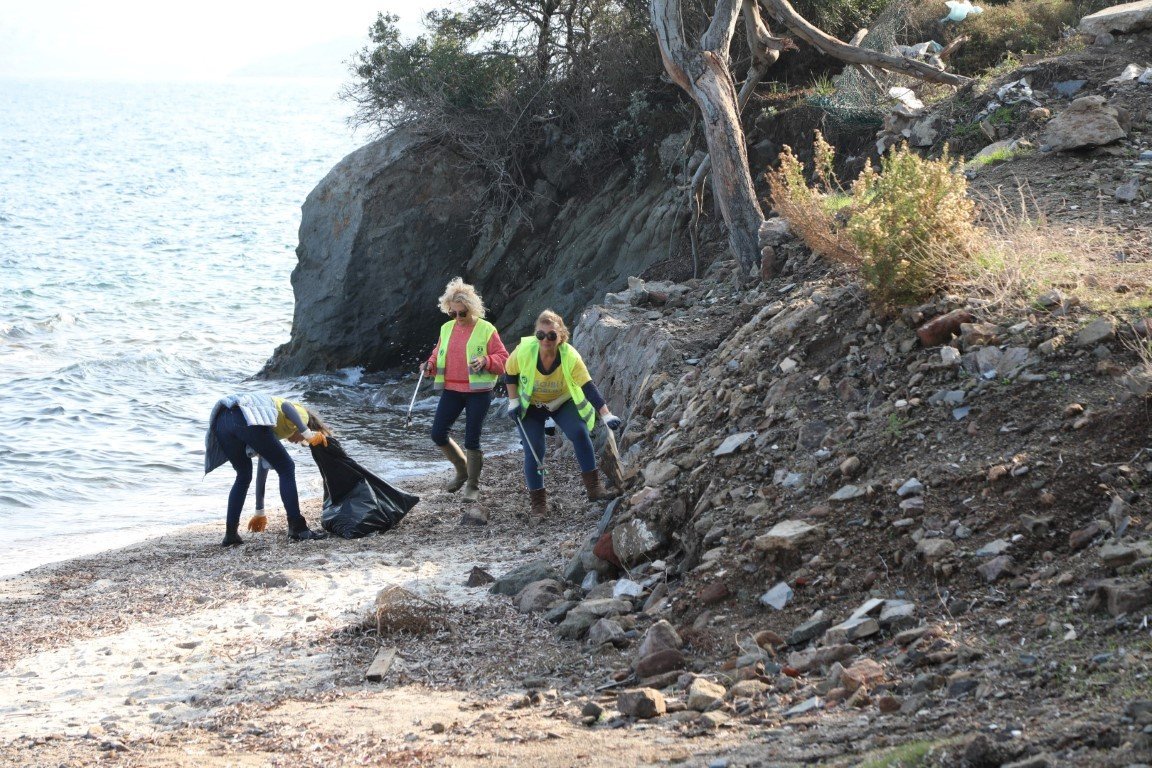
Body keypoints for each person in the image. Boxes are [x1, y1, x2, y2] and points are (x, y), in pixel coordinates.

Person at [504, 309, 622, 517]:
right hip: (531, 406)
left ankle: (594, 490)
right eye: (541, 335)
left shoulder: (570, 356)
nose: (546, 340)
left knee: (579, 432)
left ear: (561, 336)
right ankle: (538, 505)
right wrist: (513, 401)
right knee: (535, 451)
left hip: (562, 401)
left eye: (552, 335)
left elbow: (588, 386)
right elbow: (510, 373)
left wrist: (606, 415)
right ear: (536, 335)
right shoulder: (524, 351)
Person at [204, 392, 331, 546]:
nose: (299, 442)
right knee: (286, 467)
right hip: (242, 415)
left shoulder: (266, 425)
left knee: (243, 476)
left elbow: (262, 469)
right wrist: (307, 432)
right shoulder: (302, 417)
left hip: (222, 420)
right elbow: (286, 406)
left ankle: (231, 535)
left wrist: (259, 511)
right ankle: (297, 528)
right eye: (302, 440)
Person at [424, 277, 508, 505]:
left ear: (472, 309)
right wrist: (429, 366)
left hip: (478, 391)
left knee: (472, 438)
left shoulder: (486, 329)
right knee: (438, 434)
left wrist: (486, 360)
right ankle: (462, 471)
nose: (458, 318)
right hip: (451, 388)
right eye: (453, 313)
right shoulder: (446, 328)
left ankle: (472, 485)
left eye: (463, 313)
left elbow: (504, 359)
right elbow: (437, 353)